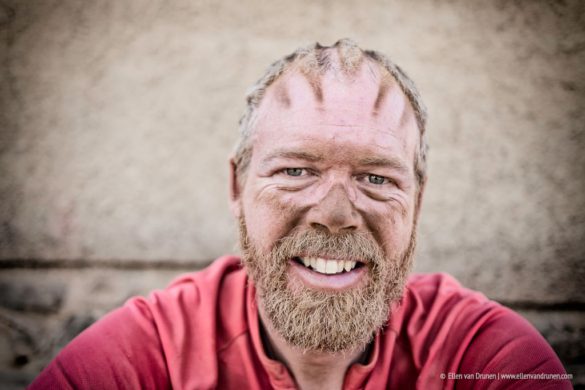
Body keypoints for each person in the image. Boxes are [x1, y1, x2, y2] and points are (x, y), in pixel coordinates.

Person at [30, 39, 571, 390]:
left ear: (418, 202)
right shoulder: (148, 360)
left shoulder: (486, 358)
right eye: (295, 171)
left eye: (376, 178)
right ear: (237, 187)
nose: (335, 215)